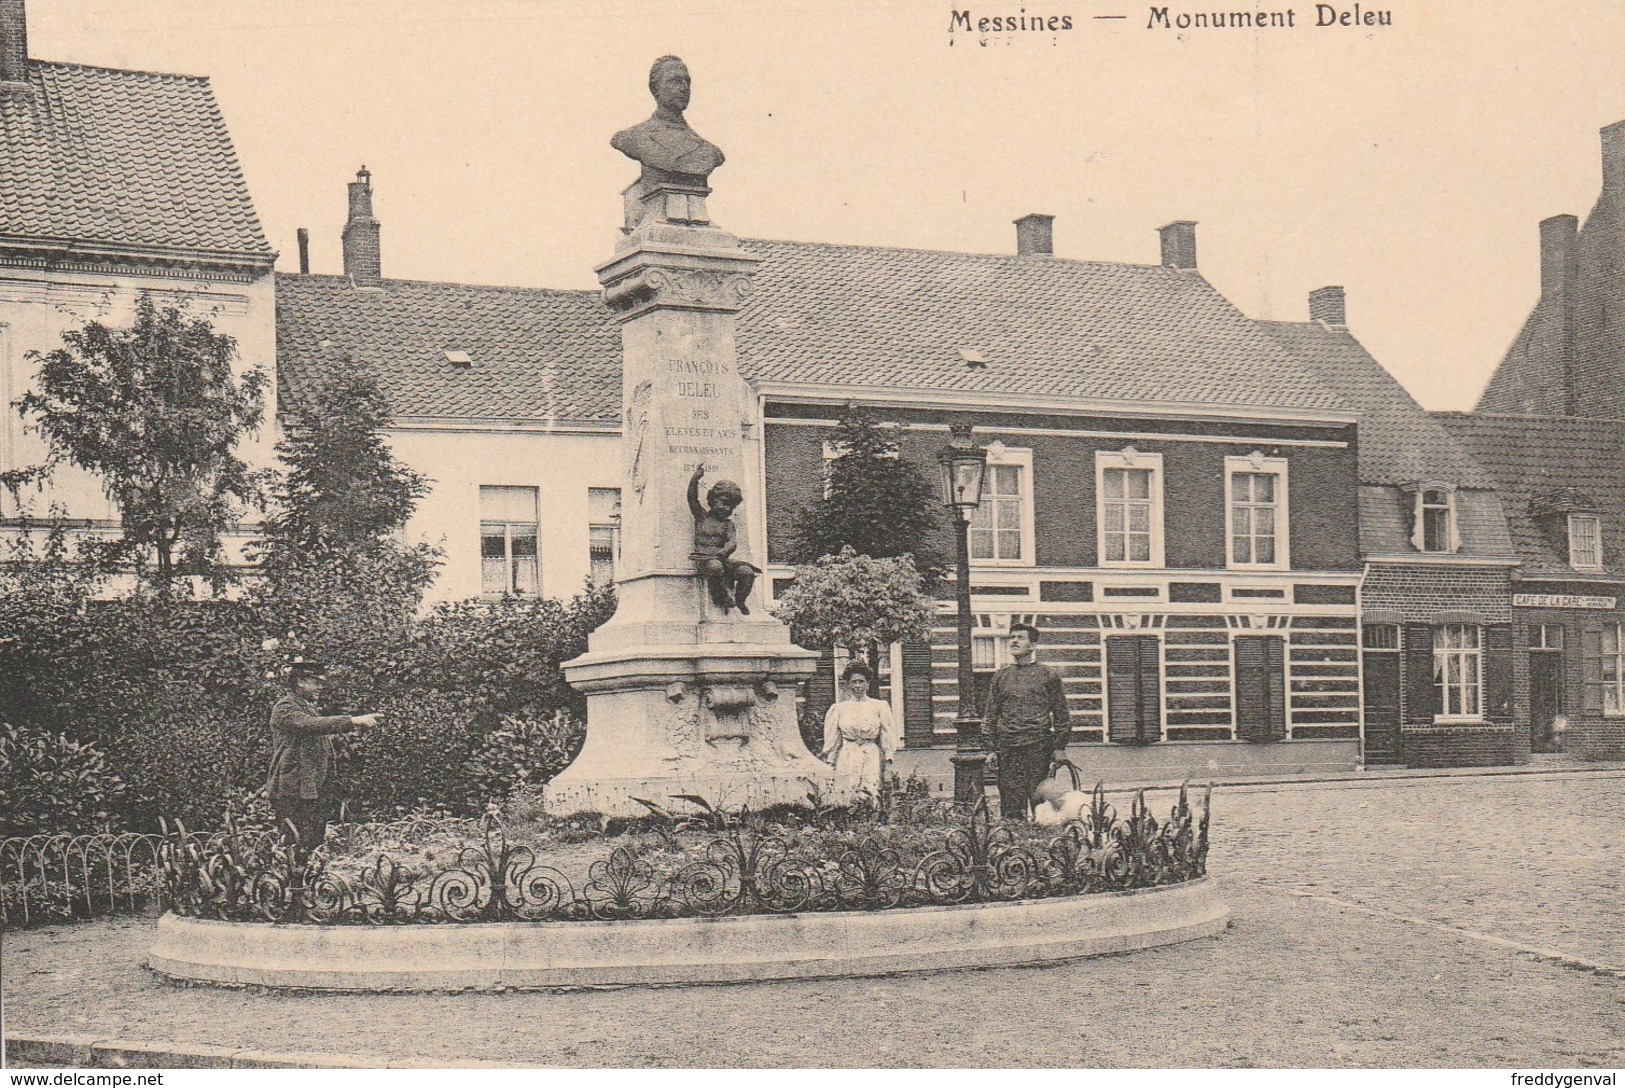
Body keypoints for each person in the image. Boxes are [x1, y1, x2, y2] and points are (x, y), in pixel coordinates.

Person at [265, 661, 380, 852]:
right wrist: (353, 720)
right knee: (294, 843)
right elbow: (309, 725)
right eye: (315, 682)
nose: (320, 687)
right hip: (294, 788)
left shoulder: (306, 707)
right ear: (300, 682)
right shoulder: (285, 708)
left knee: (312, 841)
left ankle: (307, 878)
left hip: (311, 786)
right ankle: (292, 879)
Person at [983, 623, 1072, 819]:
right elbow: (990, 715)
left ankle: (1042, 843)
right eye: (1012, 637)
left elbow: (1061, 714)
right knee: (1011, 804)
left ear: (1032, 645)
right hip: (1008, 748)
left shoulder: (1048, 675)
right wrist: (990, 749)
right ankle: (1014, 843)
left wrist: (1059, 747)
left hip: (1038, 747)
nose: (1014, 641)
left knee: (1041, 805)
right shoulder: (1001, 676)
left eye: (1020, 637)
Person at [611, 55, 726, 184]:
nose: (684, 88)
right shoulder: (632, 137)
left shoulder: (711, 151)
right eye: (674, 81)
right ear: (654, 89)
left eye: (687, 82)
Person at [821, 662, 899, 806]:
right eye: (854, 682)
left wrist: (888, 762)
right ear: (848, 685)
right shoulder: (839, 709)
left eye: (861, 681)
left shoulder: (879, 706)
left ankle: (870, 822)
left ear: (868, 684)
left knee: (870, 791)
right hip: (847, 754)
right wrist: (830, 763)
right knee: (847, 792)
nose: (858, 686)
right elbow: (834, 740)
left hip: (871, 754)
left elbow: (886, 735)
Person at [688, 464, 759, 614]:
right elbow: (692, 497)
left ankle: (740, 600)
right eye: (724, 503)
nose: (727, 509)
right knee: (715, 567)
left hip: (722, 558)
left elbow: (732, 542)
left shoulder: (728, 524)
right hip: (705, 558)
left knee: (747, 572)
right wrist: (695, 478)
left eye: (731, 507)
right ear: (712, 500)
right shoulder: (701, 516)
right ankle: (720, 596)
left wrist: (724, 551)